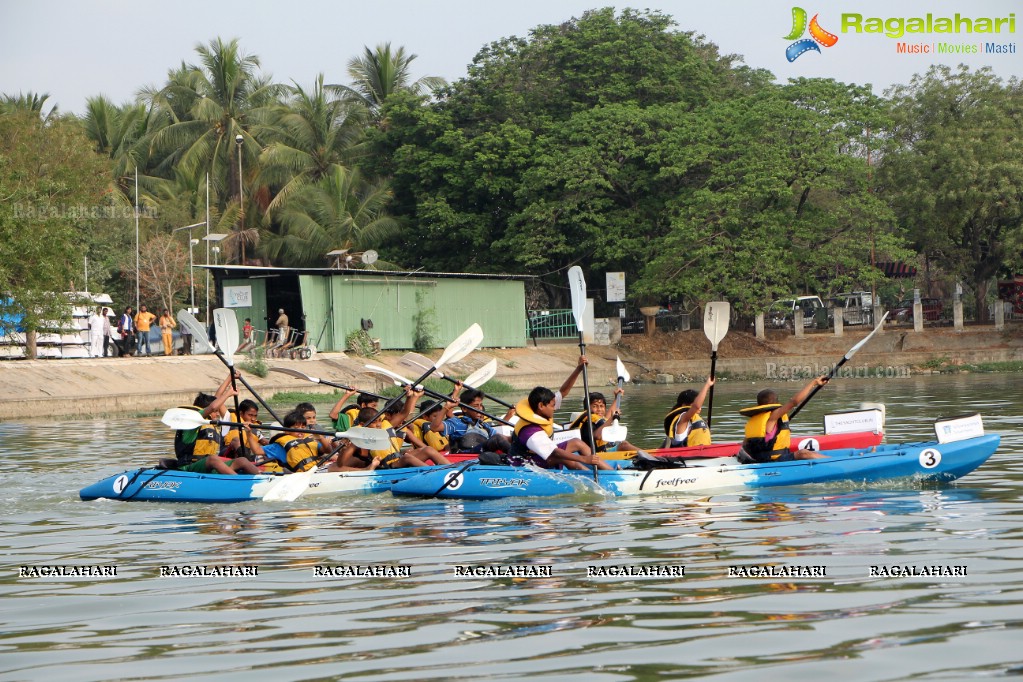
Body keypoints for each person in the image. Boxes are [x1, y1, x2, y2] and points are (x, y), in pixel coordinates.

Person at [509, 356, 612, 471]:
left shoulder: (540, 411)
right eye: (553, 406)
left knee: (577, 443)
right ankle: (594, 476)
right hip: (525, 463)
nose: (554, 409)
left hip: (540, 455)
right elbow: (555, 452)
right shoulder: (530, 431)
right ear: (541, 406)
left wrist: (579, 369)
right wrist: (584, 460)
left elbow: (563, 392)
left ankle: (608, 470)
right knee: (565, 458)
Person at [738, 376, 830, 463]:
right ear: (776, 403)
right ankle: (836, 461)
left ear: (759, 405)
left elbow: (746, 445)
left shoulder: (756, 420)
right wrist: (814, 382)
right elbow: (794, 401)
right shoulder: (772, 417)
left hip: (760, 458)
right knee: (803, 453)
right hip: (774, 461)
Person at [179, 386, 262, 475]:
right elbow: (213, 406)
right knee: (213, 459)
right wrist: (229, 393)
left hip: (208, 465)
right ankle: (238, 481)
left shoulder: (213, 426)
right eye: (215, 412)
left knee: (242, 461)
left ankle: (263, 479)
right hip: (190, 466)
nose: (218, 414)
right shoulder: (192, 422)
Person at [442, 387, 512, 453]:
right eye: (476, 406)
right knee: (496, 439)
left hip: (482, 455)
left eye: (480, 405)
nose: (480, 409)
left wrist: (517, 436)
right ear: (464, 409)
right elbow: (435, 427)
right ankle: (516, 456)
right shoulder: (456, 423)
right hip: (465, 455)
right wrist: (454, 394)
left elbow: (504, 438)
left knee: (503, 439)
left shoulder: (484, 425)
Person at [571, 388, 641, 453]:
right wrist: (612, 418)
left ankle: (646, 454)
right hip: (598, 455)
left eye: (601, 406)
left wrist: (616, 398)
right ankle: (648, 455)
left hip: (605, 450)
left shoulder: (597, 418)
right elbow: (597, 436)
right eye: (595, 406)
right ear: (587, 409)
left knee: (623, 444)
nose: (599, 409)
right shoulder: (589, 419)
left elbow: (606, 418)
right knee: (624, 444)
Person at [663, 377, 715, 448]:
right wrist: (707, 385)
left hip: (699, 455)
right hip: (685, 457)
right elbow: (696, 406)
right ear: (684, 405)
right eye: (695, 403)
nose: (700, 408)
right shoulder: (683, 418)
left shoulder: (693, 419)